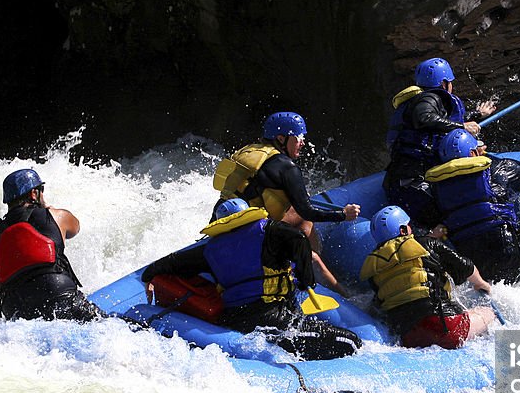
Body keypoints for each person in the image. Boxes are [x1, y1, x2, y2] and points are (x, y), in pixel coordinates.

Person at [141, 198, 362, 361]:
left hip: (235, 319)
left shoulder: (209, 250)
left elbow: (167, 263)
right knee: (350, 341)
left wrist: (148, 278)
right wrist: (305, 280)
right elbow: (300, 240)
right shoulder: (271, 231)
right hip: (272, 318)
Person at [213, 111, 358, 294]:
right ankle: (344, 295)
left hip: (225, 225)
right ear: (281, 138)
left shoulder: (248, 152)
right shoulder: (286, 167)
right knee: (313, 258)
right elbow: (308, 211)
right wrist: (343, 215)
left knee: (301, 222)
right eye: (298, 138)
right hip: (254, 238)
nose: (303, 143)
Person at [425, 129, 520, 284]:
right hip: (514, 264)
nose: (483, 150)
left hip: (476, 273)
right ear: (472, 154)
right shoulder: (498, 169)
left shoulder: (436, 191)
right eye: (478, 148)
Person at [359, 205, 496, 349]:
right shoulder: (425, 243)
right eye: (408, 225)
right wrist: (481, 284)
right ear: (403, 230)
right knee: (487, 313)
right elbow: (466, 266)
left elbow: (380, 305)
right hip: (446, 328)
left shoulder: (374, 269)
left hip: (409, 339)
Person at [383, 58, 495, 228]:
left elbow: (441, 121)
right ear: (443, 83)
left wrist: (477, 115)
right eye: (450, 82)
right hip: (414, 182)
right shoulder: (430, 98)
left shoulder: (420, 100)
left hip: (400, 178)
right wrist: (462, 126)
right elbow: (424, 117)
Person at [0, 169, 104, 322]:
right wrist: (47, 208)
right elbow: (75, 228)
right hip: (58, 294)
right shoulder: (55, 216)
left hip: (16, 310)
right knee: (112, 322)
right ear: (34, 193)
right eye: (42, 190)